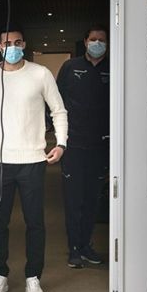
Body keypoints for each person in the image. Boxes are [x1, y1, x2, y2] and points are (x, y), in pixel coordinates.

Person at [0, 27, 68, 292]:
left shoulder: (40, 74)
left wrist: (61, 143)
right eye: (8, 43)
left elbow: (58, 110)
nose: (13, 47)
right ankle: (0, 275)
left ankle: (33, 277)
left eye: (17, 43)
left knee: (34, 222)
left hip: (33, 160)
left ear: (24, 45)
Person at [56, 26, 110, 268]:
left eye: (102, 40)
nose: (97, 43)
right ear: (85, 41)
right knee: (74, 199)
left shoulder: (114, 67)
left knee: (93, 199)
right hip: (74, 145)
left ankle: (87, 245)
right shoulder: (70, 67)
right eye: (93, 39)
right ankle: (74, 249)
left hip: (101, 145)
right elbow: (56, 102)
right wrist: (59, 136)